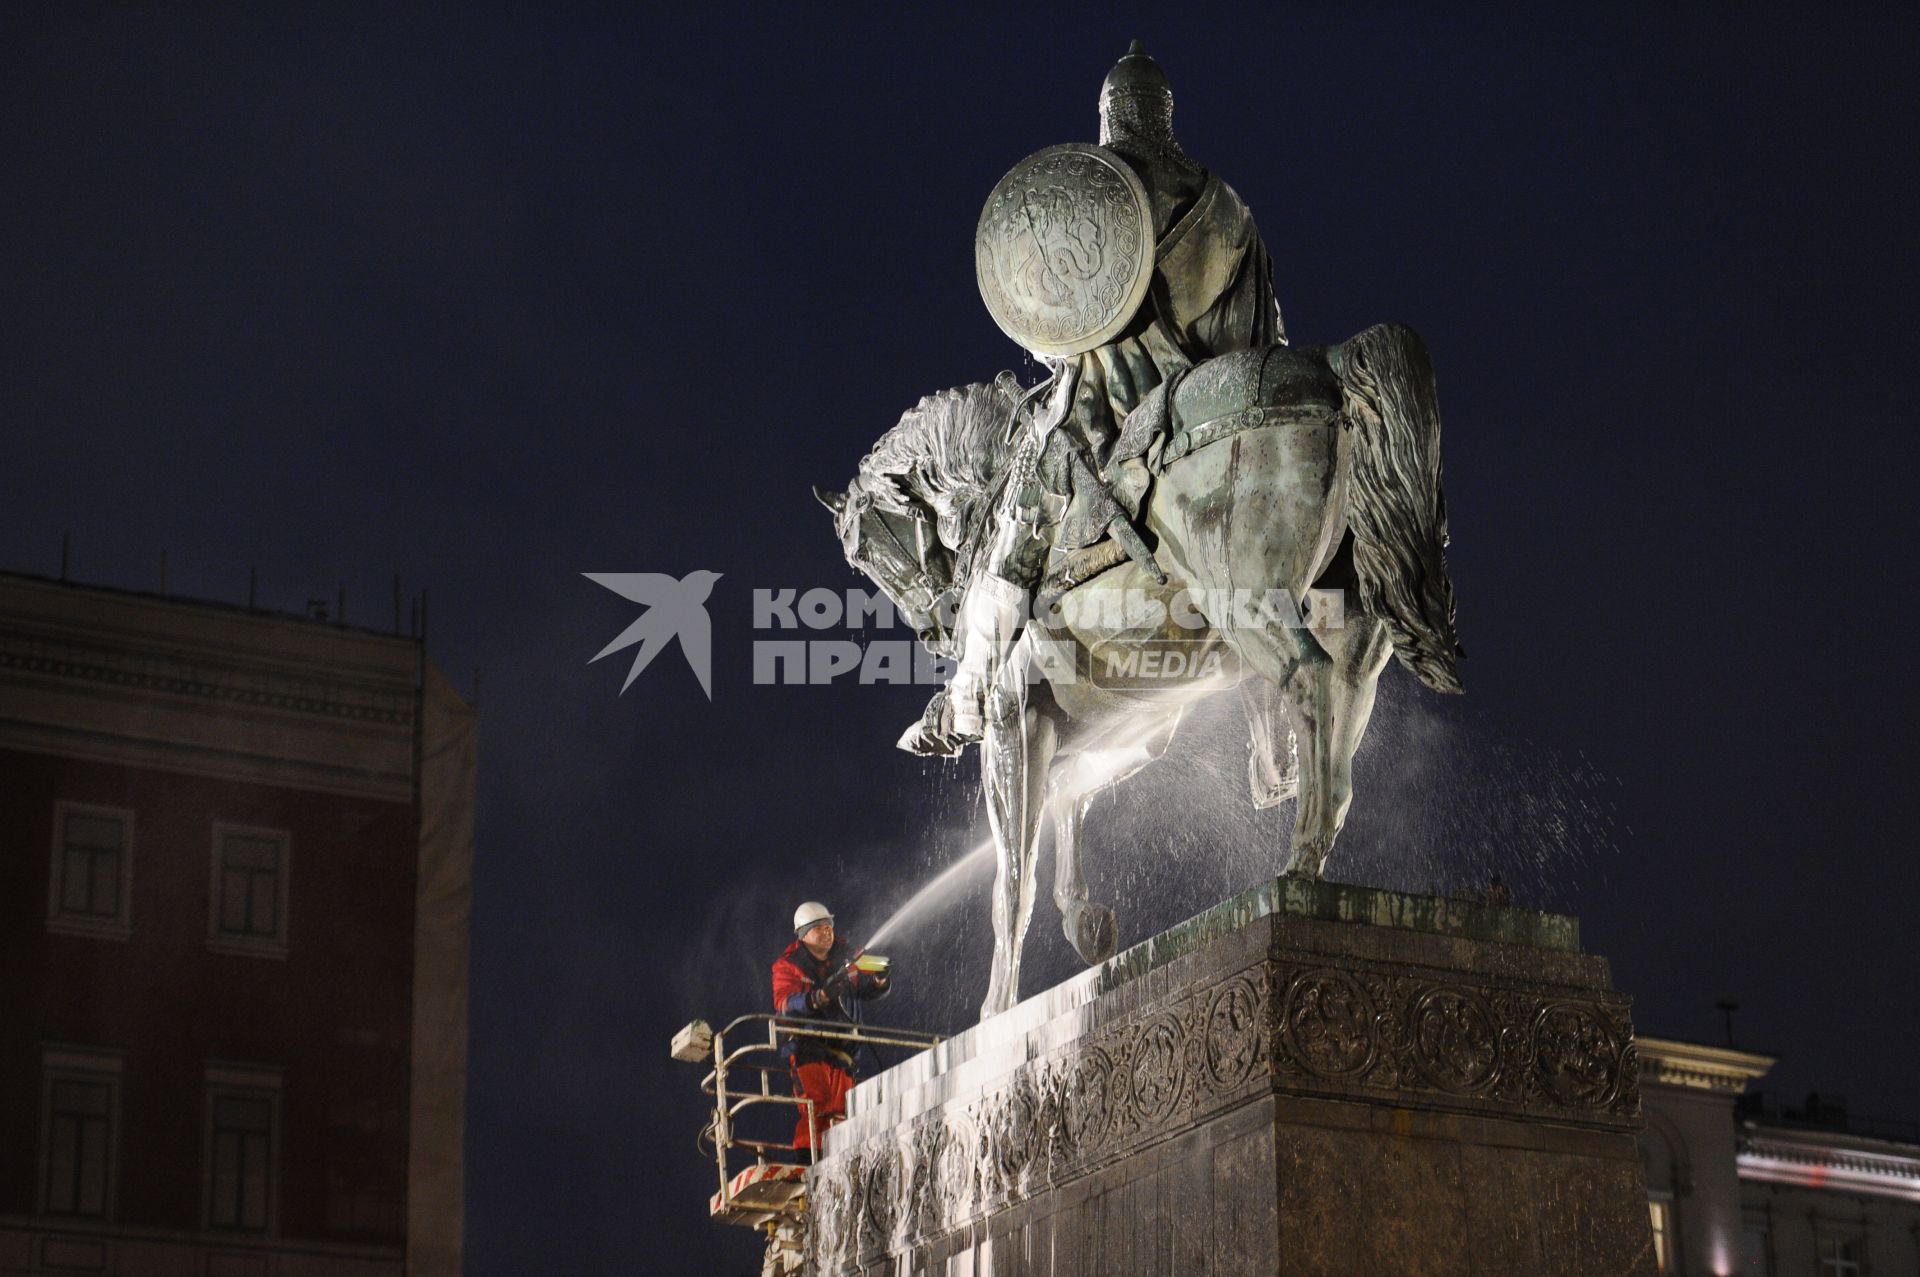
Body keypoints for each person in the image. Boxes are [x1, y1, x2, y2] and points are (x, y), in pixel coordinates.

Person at [934, 42, 1288, 746]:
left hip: (1120, 409)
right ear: (1164, 113)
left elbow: (1068, 328)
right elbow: (1268, 330)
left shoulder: (1103, 185)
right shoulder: (1227, 203)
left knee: (1022, 504)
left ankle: (973, 685)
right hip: (1228, 404)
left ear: (1108, 114)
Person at [769, 901, 890, 1151]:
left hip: (843, 1048)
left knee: (843, 1109)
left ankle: (839, 1155)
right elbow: (784, 1003)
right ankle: (807, 1160)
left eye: (829, 926)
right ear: (804, 935)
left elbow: (867, 987)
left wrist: (881, 978)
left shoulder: (847, 956)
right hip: (807, 1046)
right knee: (817, 1105)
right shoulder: (788, 965)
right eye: (819, 928)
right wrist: (818, 997)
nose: (827, 932)